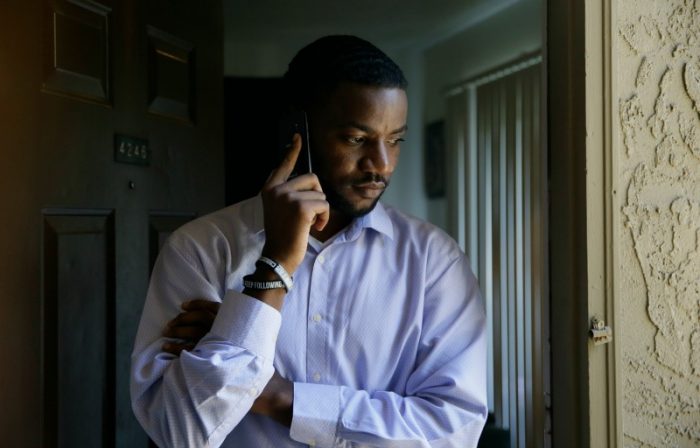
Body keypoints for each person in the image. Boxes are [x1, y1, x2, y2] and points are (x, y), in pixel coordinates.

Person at [130, 35, 487, 448]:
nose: (382, 165)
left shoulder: (434, 261)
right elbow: (180, 432)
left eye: (394, 140)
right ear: (296, 131)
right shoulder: (200, 249)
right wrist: (274, 269)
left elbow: (453, 431)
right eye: (356, 138)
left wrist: (275, 392)